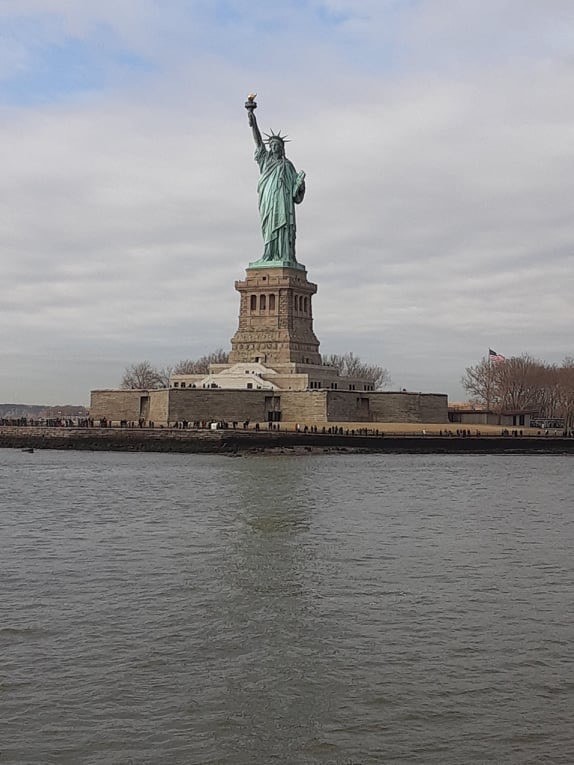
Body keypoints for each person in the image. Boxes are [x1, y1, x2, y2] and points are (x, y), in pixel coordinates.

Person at [246, 97, 306, 265]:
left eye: (277, 145)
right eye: (272, 145)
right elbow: (258, 141)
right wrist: (252, 118)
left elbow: (296, 194)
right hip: (268, 201)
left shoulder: (288, 166)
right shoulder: (265, 161)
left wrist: (300, 185)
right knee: (269, 227)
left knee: (284, 228)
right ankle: (269, 254)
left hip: (284, 203)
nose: (274, 147)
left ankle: (285, 256)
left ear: (282, 148)